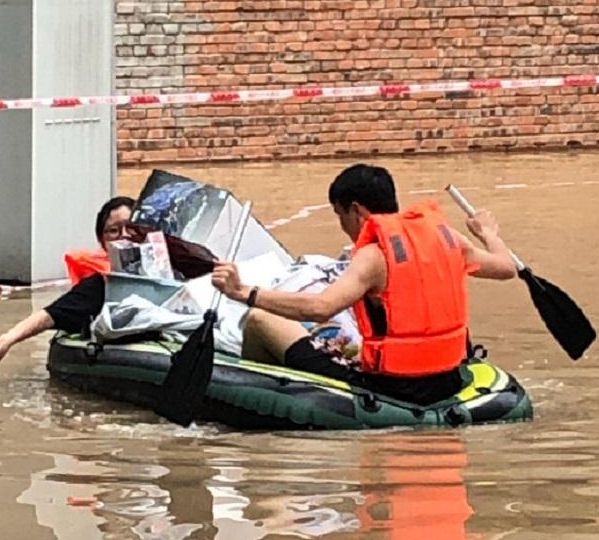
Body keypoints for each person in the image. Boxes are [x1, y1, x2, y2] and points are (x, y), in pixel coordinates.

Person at [211, 164, 516, 408]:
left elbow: (321, 308)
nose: (342, 225)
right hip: (448, 378)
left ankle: (256, 397)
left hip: (392, 387)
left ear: (356, 210)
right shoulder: (448, 238)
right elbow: (506, 268)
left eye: (340, 215)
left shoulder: (373, 256)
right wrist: (488, 233)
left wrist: (245, 292)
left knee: (261, 319)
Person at [0, 197, 139, 371]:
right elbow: (50, 314)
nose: (124, 235)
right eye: (114, 231)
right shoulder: (100, 285)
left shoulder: (166, 272)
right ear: (103, 242)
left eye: (131, 228)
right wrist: (4, 342)